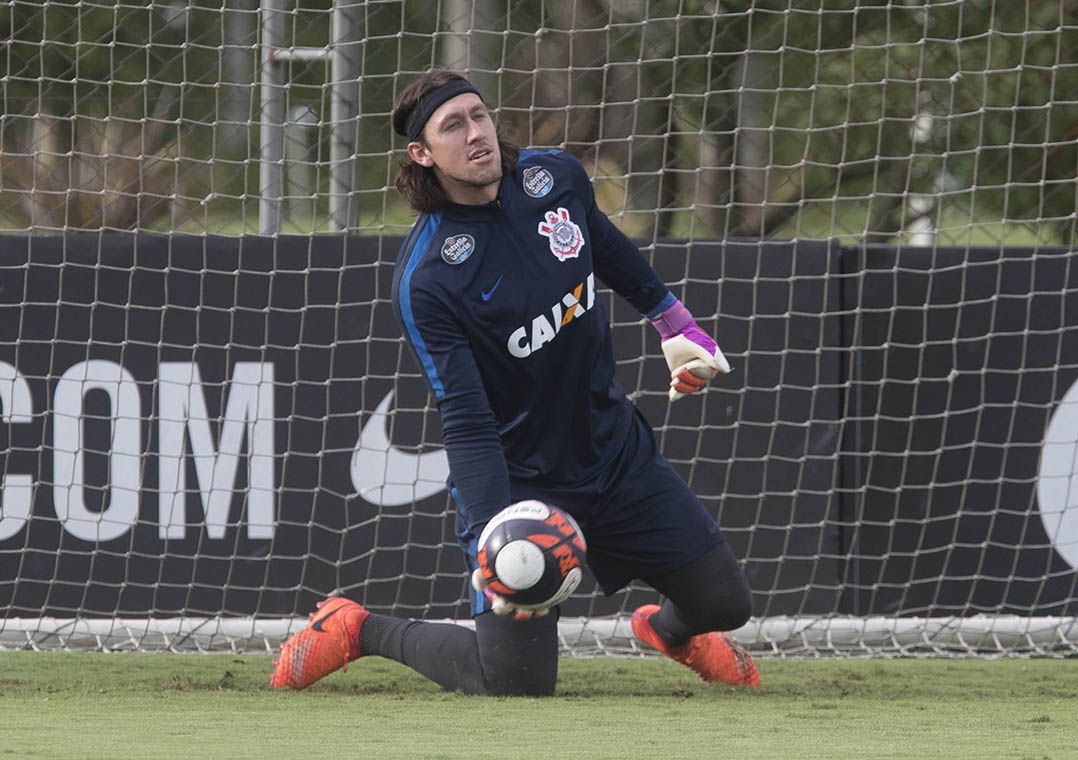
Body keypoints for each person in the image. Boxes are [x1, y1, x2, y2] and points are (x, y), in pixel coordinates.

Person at [269, 69, 758, 696]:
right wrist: (497, 542)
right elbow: (467, 422)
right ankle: (358, 628)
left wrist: (673, 321)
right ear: (423, 154)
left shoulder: (554, 178)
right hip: (525, 486)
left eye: (479, 116)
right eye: (453, 126)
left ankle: (666, 631)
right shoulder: (428, 282)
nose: (476, 134)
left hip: (616, 457)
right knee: (513, 683)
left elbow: (604, 245)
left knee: (725, 604)